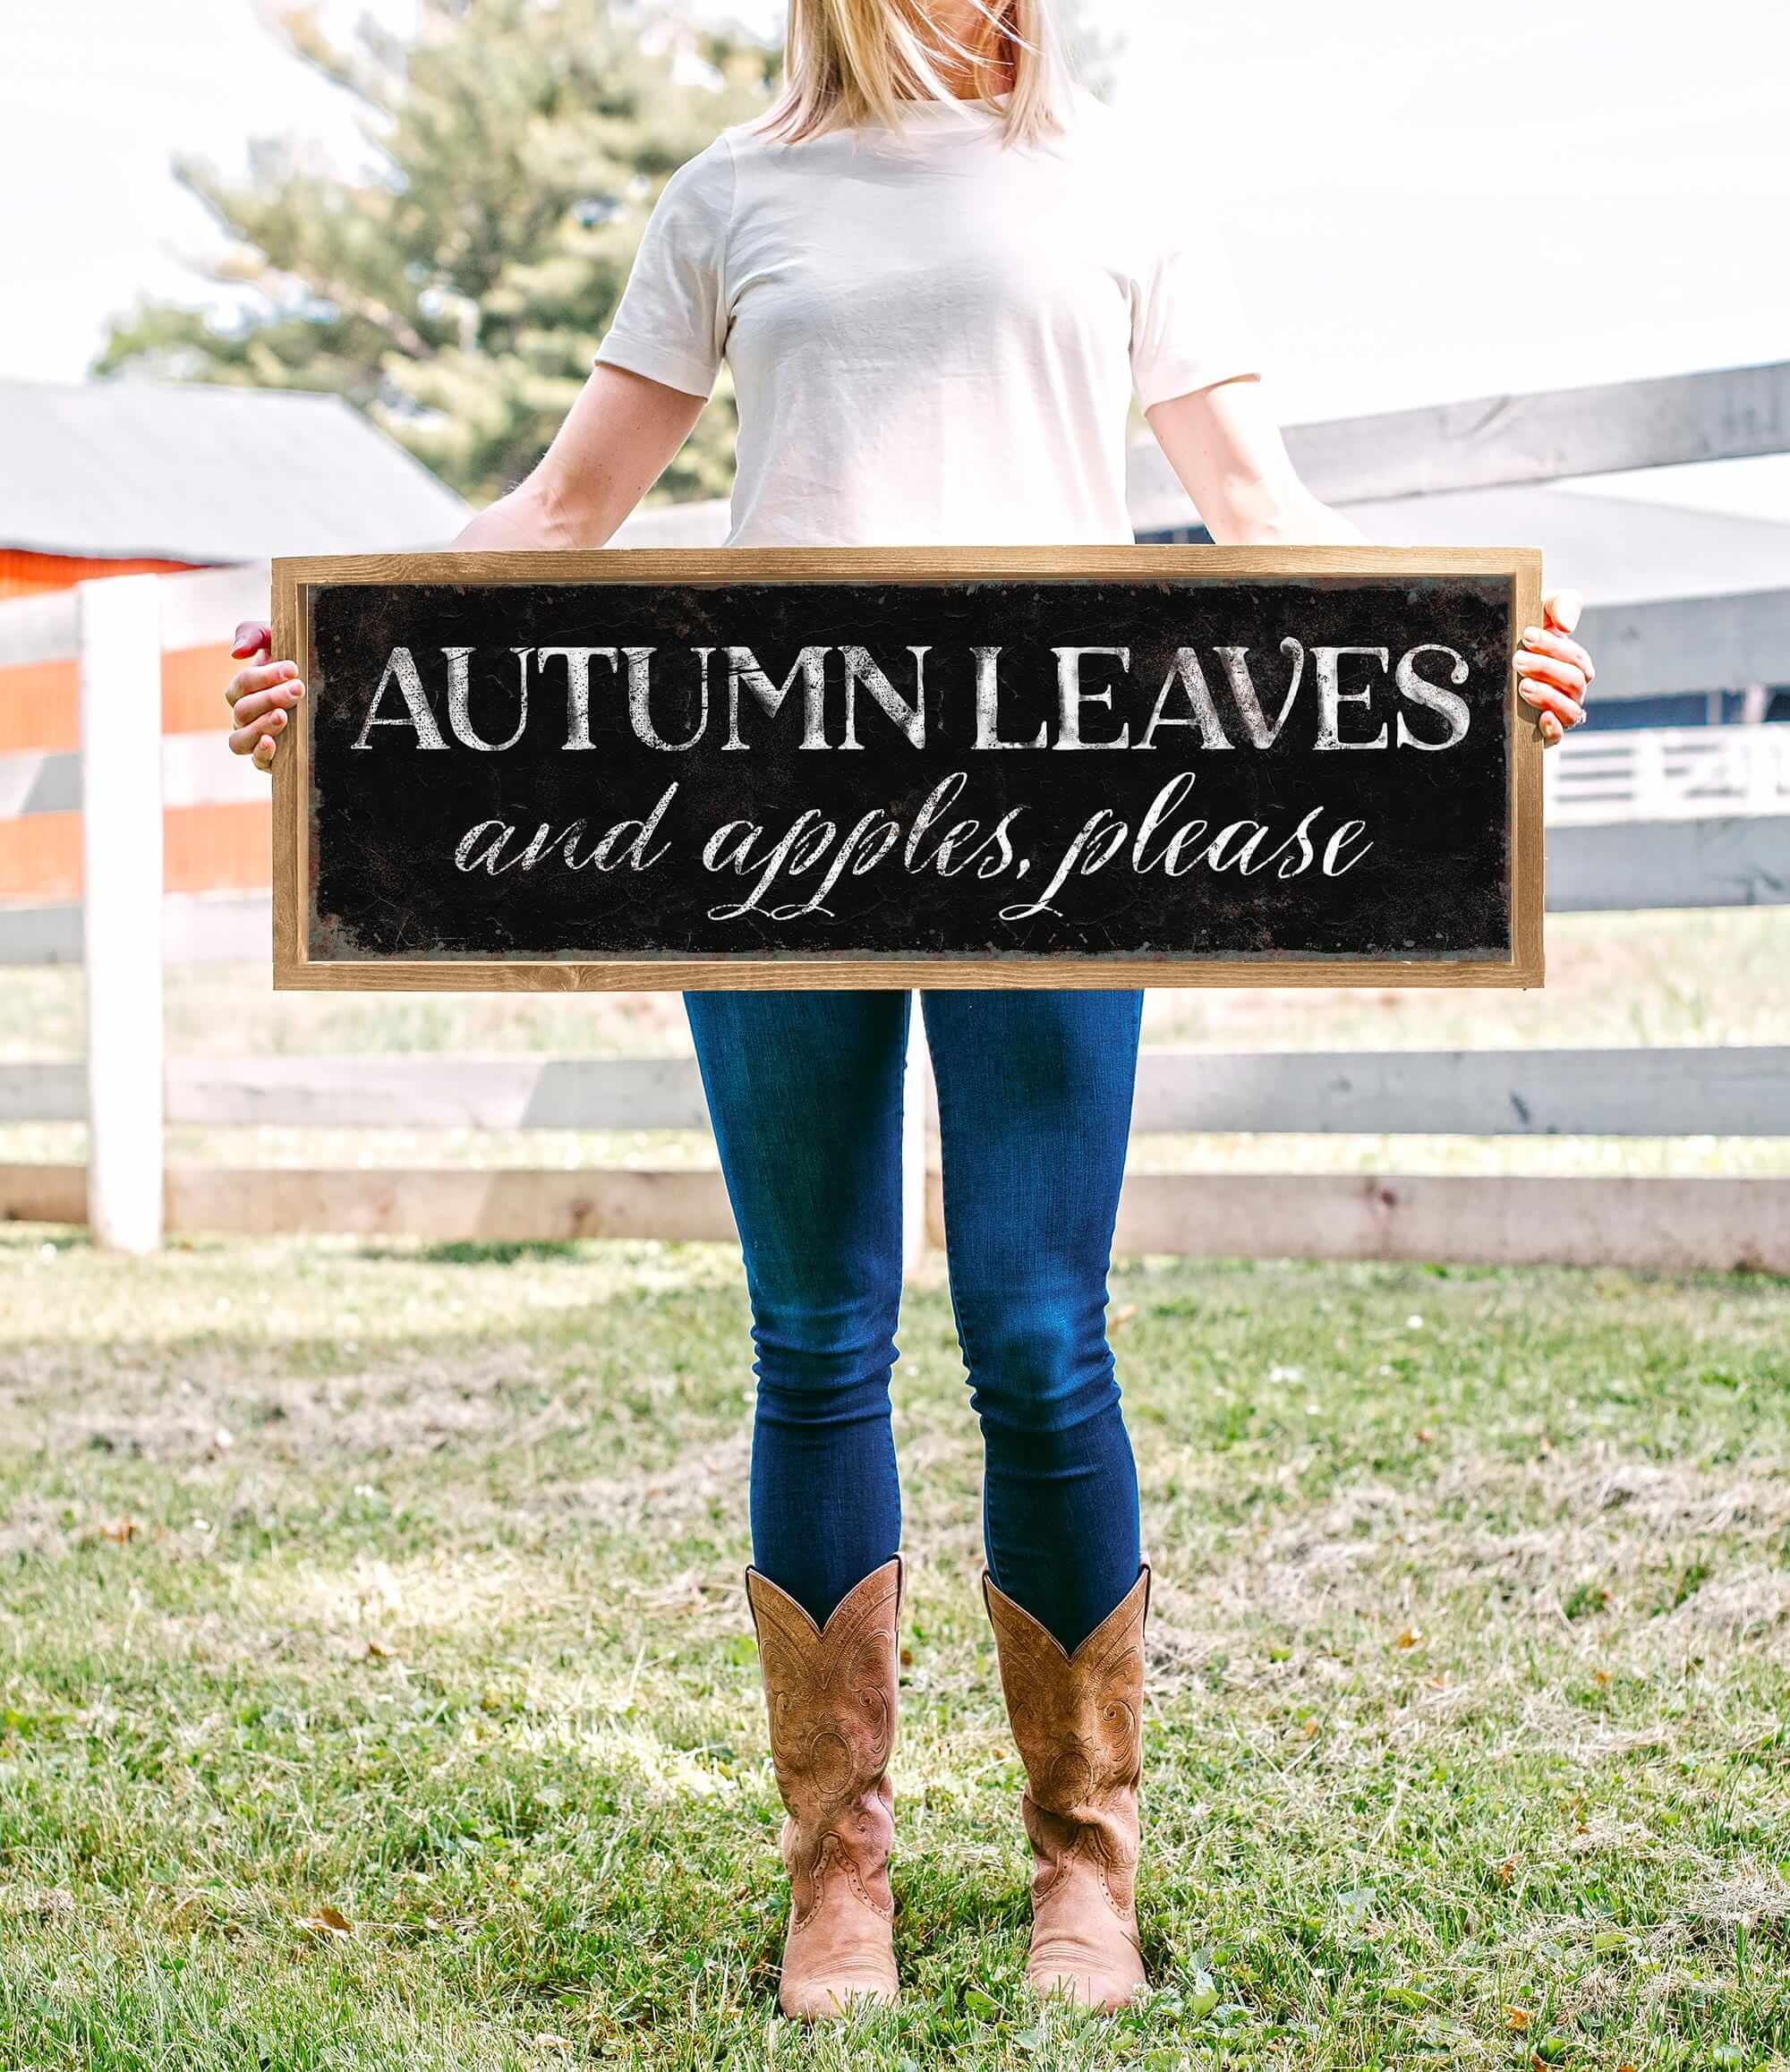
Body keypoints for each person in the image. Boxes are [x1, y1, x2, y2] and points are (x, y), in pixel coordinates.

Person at [223, 0, 1594, 2022]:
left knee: (1042, 1342)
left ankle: (1081, 1868)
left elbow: (1258, 515)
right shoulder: (731, 195)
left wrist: (1469, 663)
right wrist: (335, 661)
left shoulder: (1117, 188)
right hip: (763, 819)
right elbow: (566, 508)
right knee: (814, 1338)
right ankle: (838, 1874)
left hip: (1068, 822)